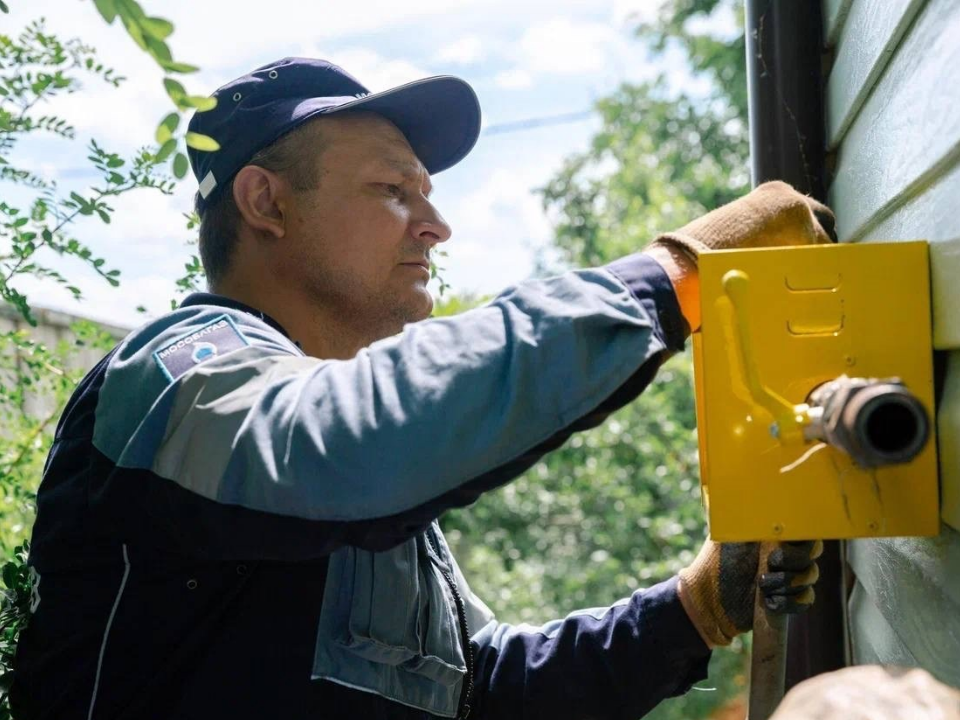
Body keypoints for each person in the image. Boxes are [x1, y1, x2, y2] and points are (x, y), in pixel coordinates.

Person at [11, 58, 831, 720]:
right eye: (393, 191)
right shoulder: (178, 374)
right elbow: (348, 449)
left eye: (428, 199)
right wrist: (677, 275)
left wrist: (695, 609)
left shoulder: (354, 469)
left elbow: (483, 690)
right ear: (266, 202)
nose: (435, 226)